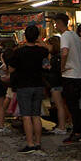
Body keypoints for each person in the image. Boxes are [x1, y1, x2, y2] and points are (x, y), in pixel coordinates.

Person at [7, 24, 50, 153]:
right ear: (37, 37)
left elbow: (11, 68)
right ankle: (38, 143)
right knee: (36, 115)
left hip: (23, 85)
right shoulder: (42, 52)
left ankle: (30, 143)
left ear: (25, 36)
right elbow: (46, 63)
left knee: (26, 115)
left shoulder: (19, 52)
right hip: (38, 85)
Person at [56, 13, 81, 144]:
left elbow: (65, 52)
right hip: (79, 74)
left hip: (70, 75)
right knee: (76, 105)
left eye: (56, 23)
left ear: (60, 22)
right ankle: (78, 130)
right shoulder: (74, 35)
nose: (55, 25)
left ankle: (77, 132)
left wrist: (62, 66)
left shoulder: (65, 36)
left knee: (72, 105)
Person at [46, 35, 69, 132]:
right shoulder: (59, 57)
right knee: (63, 105)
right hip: (62, 82)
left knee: (59, 106)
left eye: (49, 45)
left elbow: (54, 70)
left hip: (56, 84)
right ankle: (67, 123)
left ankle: (61, 126)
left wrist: (48, 68)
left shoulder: (55, 58)